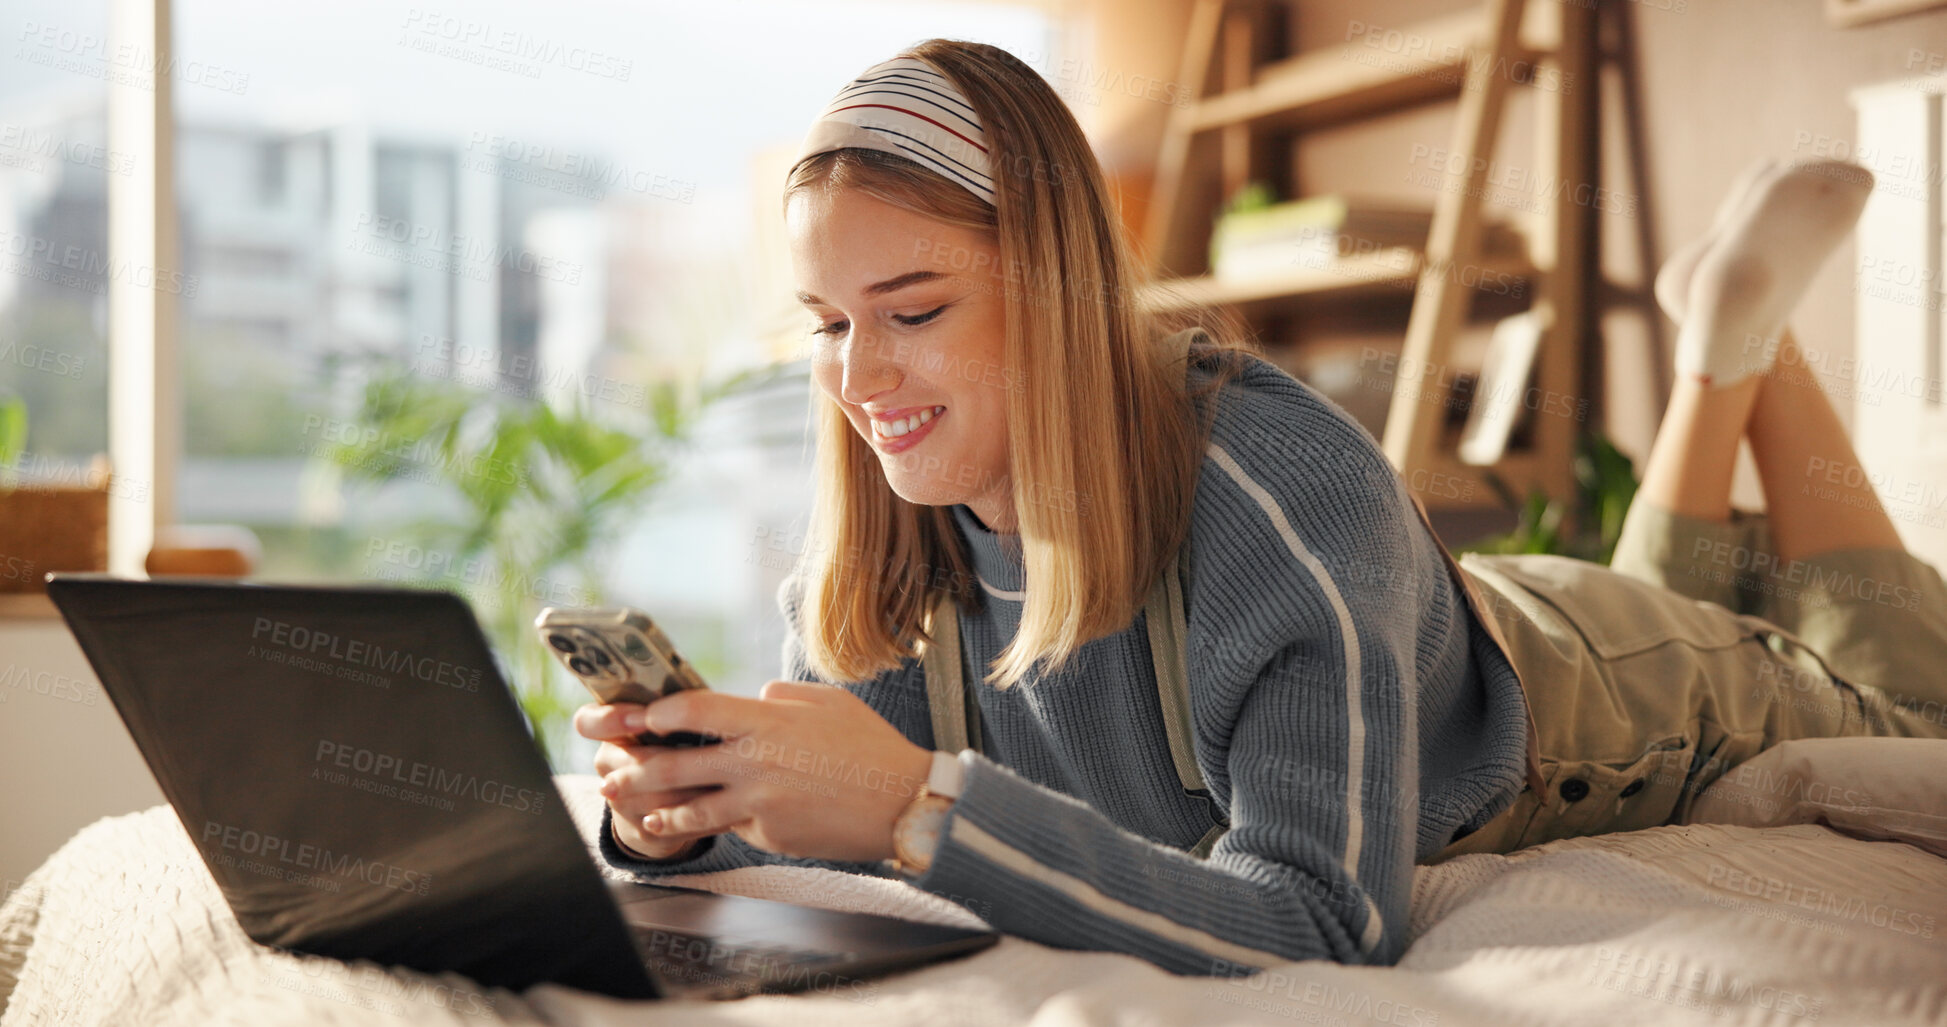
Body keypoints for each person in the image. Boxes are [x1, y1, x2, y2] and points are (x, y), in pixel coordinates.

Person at [575, 39, 1947, 975]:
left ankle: (1738, 358)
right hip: (1448, 623)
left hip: (1609, 693)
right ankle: (1728, 347)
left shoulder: (1274, 488)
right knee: (1697, 588)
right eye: (824, 325)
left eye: (915, 311)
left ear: (1054, 292)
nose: (859, 379)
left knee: (1913, 707)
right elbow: (832, 796)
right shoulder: (896, 529)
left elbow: (1317, 924)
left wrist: (918, 809)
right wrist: (688, 807)